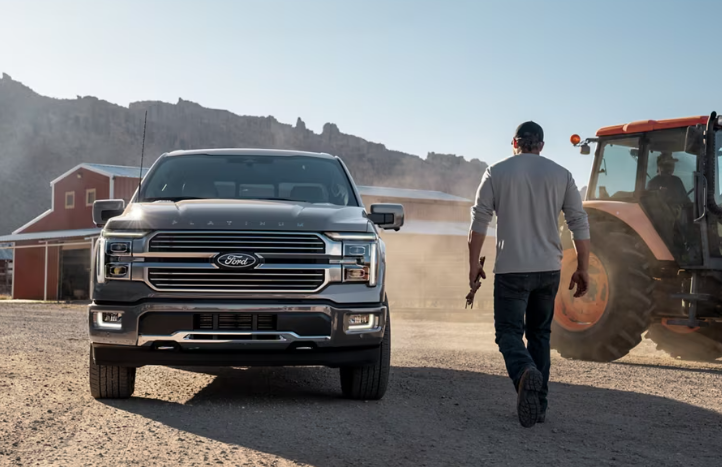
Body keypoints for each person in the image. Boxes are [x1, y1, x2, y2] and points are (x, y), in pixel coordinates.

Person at [467, 121, 590, 428]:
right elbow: (579, 222)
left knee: (508, 333)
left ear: (514, 142)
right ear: (541, 146)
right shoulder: (562, 174)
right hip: (548, 269)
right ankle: (540, 405)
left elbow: (479, 222)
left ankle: (524, 372)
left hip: (511, 269)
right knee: (539, 335)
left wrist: (473, 264)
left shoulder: (496, 172)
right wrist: (583, 267)